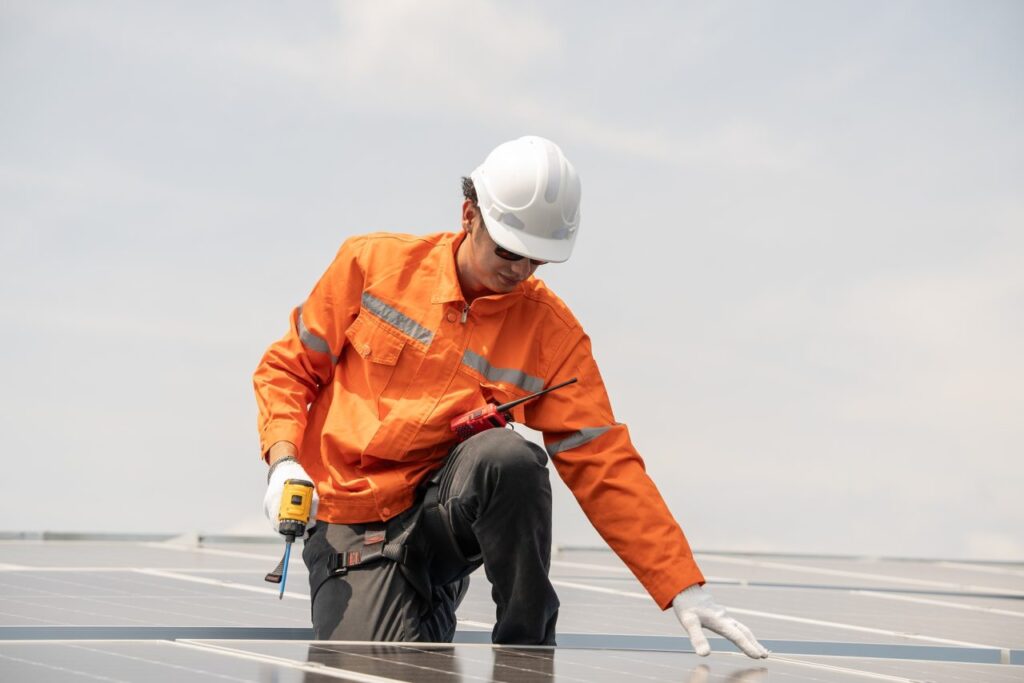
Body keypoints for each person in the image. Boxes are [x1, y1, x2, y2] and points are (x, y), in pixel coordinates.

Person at [253, 135, 768, 657]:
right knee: (375, 663)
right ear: (468, 214)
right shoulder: (373, 266)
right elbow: (287, 370)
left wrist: (680, 583)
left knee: (509, 458)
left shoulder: (550, 333)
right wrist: (284, 462)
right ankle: (416, 602)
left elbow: (603, 461)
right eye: (508, 251)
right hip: (351, 514)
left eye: (537, 260)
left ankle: (525, 655)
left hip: (441, 516)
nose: (520, 270)